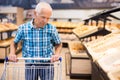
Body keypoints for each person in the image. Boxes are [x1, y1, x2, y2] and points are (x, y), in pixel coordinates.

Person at [8, 2, 62, 80]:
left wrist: (56, 54)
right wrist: (12, 53)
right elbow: (14, 42)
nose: (45, 21)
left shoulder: (52, 29)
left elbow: (58, 44)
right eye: (43, 17)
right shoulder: (23, 28)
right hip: (30, 65)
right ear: (35, 13)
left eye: (48, 18)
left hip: (47, 65)